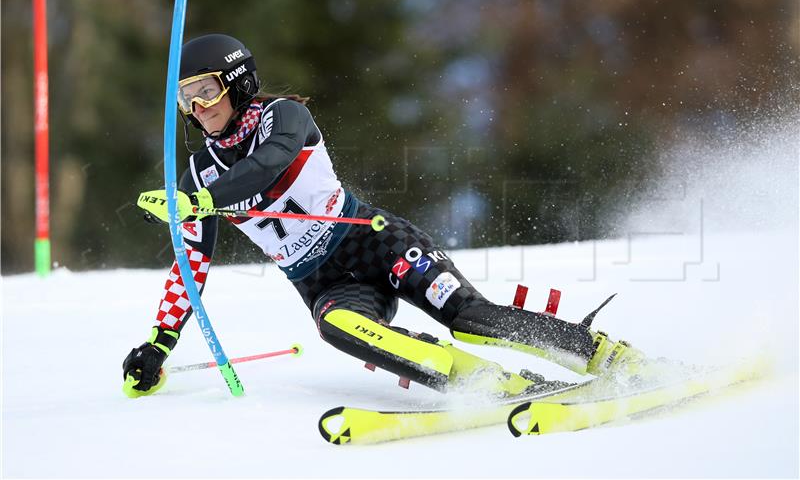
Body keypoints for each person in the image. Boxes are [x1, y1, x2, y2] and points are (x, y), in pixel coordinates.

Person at [124, 34, 645, 398]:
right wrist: (158, 345)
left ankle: (599, 352)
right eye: (186, 97)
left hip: (376, 242)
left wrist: (203, 201)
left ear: (236, 84)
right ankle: (481, 381)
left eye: (206, 90)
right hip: (320, 280)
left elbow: (269, 165)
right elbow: (189, 268)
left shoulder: (285, 116)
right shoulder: (196, 174)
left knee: (468, 317)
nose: (197, 107)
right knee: (338, 326)